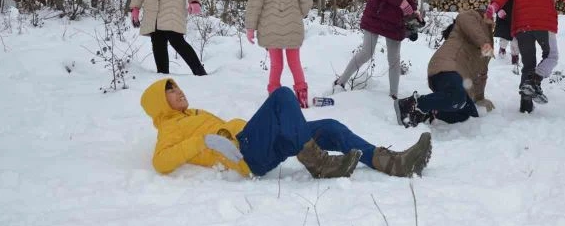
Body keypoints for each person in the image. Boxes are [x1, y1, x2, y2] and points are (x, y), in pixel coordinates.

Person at [140, 78, 433, 179]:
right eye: (170, 91)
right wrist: (203, 141)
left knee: (330, 127)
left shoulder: (195, 113)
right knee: (281, 95)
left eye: (176, 87)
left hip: (258, 145)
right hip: (246, 155)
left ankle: (391, 162)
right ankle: (319, 164)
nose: (178, 91)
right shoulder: (169, 127)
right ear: (159, 104)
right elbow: (160, 162)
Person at [395, 10, 496, 127]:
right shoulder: (470, 17)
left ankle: (429, 113)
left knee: (468, 113)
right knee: (457, 97)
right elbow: (467, 22)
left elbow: (482, 73)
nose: (492, 20)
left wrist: (480, 98)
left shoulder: (484, 47)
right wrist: (485, 43)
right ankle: (412, 105)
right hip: (447, 65)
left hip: (458, 77)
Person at [494, 0, 519, 65]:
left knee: (516, 40)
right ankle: (502, 49)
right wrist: (499, 10)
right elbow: (494, 0)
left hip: (517, 18)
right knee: (504, 38)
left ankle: (515, 57)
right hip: (504, 17)